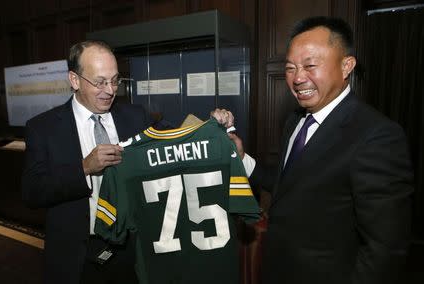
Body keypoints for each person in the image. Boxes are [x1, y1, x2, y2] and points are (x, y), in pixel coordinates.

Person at [214, 16, 414, 284]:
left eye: (310, 66)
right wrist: (242, 158)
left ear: (346, 66)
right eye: (290, 68)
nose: (297, 78)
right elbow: (290, 185)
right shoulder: (296, 120)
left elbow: (385, 251)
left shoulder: (377, 136)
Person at [22, 39, 233, 283]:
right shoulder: (43, 128)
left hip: (130, 251)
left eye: (115, 80)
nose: (110, 91)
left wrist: (212, 125)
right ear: (74, 80)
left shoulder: (135, 116)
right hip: (76, 256)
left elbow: (177, 138)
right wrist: (84, 168)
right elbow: (32, 192)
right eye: (100, 82)